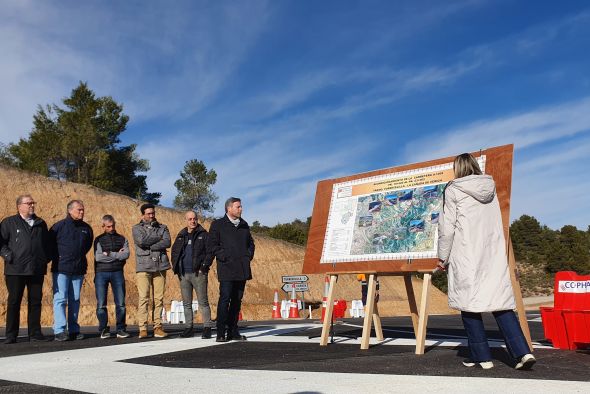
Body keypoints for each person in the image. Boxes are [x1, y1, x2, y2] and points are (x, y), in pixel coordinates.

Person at [437, 153, 535, 370]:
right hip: (491, 252)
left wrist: (443, 257)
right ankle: (522, 352)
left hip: (466, 252)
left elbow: (447, 228)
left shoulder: (453, 189)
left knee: (469, 304)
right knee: (499, 301)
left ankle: (482, 357)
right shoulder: (490, 187)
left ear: (458, 168)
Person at [1, 195, 51, 344]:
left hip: (36, 268)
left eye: (33, 203)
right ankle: (11, 334)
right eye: (28, 203)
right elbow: (1, 243)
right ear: (19, 206)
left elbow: (47, 244)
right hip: (15, 269)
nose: (32, 205)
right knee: (14, 301)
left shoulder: (41, 223)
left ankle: (35, 333)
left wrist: (44, 259)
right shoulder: (9, 222)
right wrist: (9, 256)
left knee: (35, 301)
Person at [207, 197, 255, 342]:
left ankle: (233, 331)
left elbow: (251, 243)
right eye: (238, 207)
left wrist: (248, 256)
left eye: (241, 207)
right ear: (229, 208)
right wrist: (224, 256)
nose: (241, 209)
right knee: (225, 299)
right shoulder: (218, 224)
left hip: (242, 268)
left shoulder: (244, 225)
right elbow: (212, 245)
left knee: (237, 300)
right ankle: (221, 332)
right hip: (227, 268)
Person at [50, 200, 93, 341]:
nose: (82, 212)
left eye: (83, 209)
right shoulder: (58, 227)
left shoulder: (87, 228)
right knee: (60, 299)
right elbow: (49, 246)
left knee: (75, 299)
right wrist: (61, 257)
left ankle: (74, 329)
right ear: (70, 210)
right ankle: (59, 330)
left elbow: (86, 246)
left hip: (78, 269)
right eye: (79, 209)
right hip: (61, 269)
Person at [171, 211, 214, 338]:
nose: (192, 221)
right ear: (186, 220)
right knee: (186, 303)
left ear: (197, 219)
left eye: (194, 218)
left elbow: (210, 252)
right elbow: (174, 252)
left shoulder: (204, 234)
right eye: (190, 219)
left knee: (203, 302)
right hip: (184, 274)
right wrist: (177, 268)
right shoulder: (181, 235)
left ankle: (207, 327)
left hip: (198, 274)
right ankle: (188, 328)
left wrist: (204, 267)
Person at [132, 203, 171, 339]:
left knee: (159, 298)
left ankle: (158, 327)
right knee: (144, 298)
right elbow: (141, 241)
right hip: (143, 266)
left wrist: (151, 244)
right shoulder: (136, 228)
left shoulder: (163, 227)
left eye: (153, 213)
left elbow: (167, 242)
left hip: (160, 265)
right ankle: (143, 328)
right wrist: (158, 238)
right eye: (148, 213)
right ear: (143, 215)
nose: (151, 215)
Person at [94, 215, 130, 339]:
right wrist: (116, 255)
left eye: (113, 225)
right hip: (101, 273)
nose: (112, 228)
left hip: (117, 272)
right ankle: (104, 330)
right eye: (109, 226)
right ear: (103, 226)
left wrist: (108, 253)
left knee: (120, 303)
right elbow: (98, 257)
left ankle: (121, 329)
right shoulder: (98, 240)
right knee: (101, 304)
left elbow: (126, 255)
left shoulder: (122, 238)